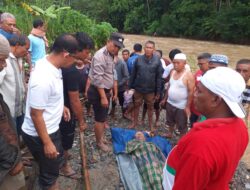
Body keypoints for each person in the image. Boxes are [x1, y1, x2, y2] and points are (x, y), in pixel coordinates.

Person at [162, 67, 249, 190]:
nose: (194, 94)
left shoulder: (202, 144)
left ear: (216, 100)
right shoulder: (240, 126)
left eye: (199, 91)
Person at [21, 34, 78, 190]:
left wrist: (61, 107)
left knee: (48, 168)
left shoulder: (51, 64)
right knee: (50, 177)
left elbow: (48, 98)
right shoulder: (43, 78)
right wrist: (47, 143)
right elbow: (35, 114)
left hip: (49, 128)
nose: (74, 63)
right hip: (41, 134)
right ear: (65, 54)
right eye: (74, 58)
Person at [59, 32, 94, 178]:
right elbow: (74, 100)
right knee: (67, 139)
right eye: (87, 51)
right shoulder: (71, 70)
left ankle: (60, 157)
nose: (89, 54)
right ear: (79, 49)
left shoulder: (60, 63)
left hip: (57, 107)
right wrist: (81, 121)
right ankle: (64, 166)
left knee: (58, 137)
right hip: (66, 111)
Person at [88, 32, 124, 152]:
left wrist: (112, 91)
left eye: (118, 47)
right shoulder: (100, 56)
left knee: (103, 118)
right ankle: (99, 143)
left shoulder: (110, 54)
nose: (116, 48)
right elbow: (98, 79)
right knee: (99, 118)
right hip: (98, 92)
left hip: (105, 90)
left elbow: (109, 73)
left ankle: (101, 138)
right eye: (114, 45)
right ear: (108, 41)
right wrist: (103, 97)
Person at [0, 34, 25, 190]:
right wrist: (11, 161)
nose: (3, 65)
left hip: (14, 108)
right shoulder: (8, 63)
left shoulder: (18, 60)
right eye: (1, 60)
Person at [129, 40, 162, 131]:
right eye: (147, 47)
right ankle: (135, 122)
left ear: (154, 49)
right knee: (136, 105)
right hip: (138, 88)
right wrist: (130, 86)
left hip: (150, 90)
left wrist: (158, 91)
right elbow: (133, 74)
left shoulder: (157, 61)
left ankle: (151, 125)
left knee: (150, 108)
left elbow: (159, 77)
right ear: (144, 48)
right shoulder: (138, 59)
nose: (148, 49)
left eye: (150, 48)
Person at [0, 35, 29, 136]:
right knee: (13, 136)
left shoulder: (19, 58)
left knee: (21, 133)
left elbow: (21, 81)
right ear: (17, 45)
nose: (27, 52)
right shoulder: (4, 61)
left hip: (20, 106)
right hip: (9, 109)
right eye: (26, 49)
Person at [161, 53, 195, 138]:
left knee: (182, 125)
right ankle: (170, 133)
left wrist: (187, 106)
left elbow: (191, 92)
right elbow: (169, 85)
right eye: (174, 62)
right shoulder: (172, 72)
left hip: (181, 105)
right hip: (170, 102)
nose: (175, 65)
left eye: (178, 63)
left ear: (184, 63)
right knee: (170, 121)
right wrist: (165, 99)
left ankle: (181, 140)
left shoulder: (188, 75)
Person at [235, 58, 250, 170]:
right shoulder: (229, 87)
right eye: (238, 70)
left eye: (245, 71)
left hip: (241, 125)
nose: (240, 74)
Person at [190, 53, 211, 127]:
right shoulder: (198, 73)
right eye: (198, 64)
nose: (199, 67)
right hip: (194, 108)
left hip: (204, 112)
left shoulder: (213, 78)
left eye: (201, 64)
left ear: (209, 63)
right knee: (192, 126)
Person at [110, 53, 129, 117]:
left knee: (122, 101)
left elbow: (126, 76)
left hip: (121, 87)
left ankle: (124, 114)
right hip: (111, 87)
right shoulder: (110, 63)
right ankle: (112, 112)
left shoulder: (123, 63)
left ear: (116, 56)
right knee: (112, 100)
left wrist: (119, 84)